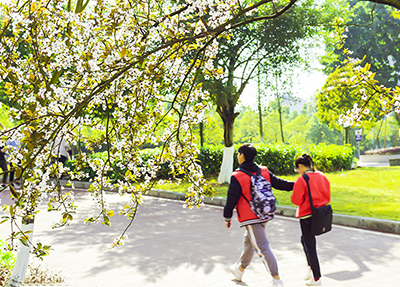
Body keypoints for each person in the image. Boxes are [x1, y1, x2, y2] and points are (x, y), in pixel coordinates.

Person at [224, 143, 294, 287]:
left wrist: (227, 217)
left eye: (238, 154)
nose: (238, 156)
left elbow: (232, 198)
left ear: (242, 155)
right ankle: (239, 270)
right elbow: (280, 184)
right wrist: (298, 183)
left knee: (262, 247)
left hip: (250, 218)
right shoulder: (264, 171)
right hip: (265, 213)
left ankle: (276, 279)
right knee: (249, 243)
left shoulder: (237, 175)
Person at [291, 154, 330, 286]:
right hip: (320, 214)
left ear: (300, 166)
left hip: (307, 215)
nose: (297, 171)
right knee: (305, 240)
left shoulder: (302, 180)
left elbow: (296, 200)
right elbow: (327, 195)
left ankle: (316, 277)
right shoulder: (322, 176)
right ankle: (311, 268)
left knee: (310, 244)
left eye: (297, 168)